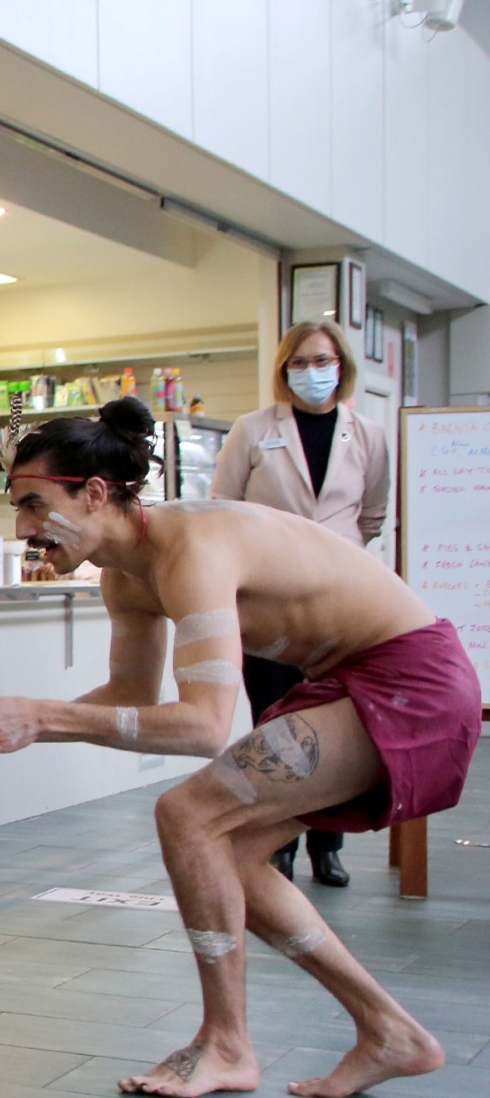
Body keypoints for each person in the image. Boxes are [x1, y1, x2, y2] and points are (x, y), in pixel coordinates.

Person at [0, 397, 477, 1098]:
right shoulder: (123, 576)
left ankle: (227, 1045)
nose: (25, 529)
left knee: (187, 815)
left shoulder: (191, 549)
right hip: (354, 681)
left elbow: (201, 727)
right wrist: (1, 722)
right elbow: (130, 696)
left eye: (35, 505)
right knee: (233, 850)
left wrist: (41, 718)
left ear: (96, 493)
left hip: (414, 683)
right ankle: (389, 1030)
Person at [212, 319, 389, 889]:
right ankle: (277, 841)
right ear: (284, 368)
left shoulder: (366, 434)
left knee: (336, 721)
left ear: (342, 366)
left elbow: (373, 514)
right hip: (271, 600)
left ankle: (327, 845)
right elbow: (223, 508)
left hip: (343, 602)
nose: (313, 372)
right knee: (276, 720)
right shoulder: (253, 429)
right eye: (300, 362)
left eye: (323, 361)